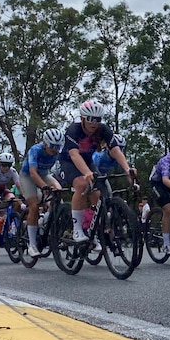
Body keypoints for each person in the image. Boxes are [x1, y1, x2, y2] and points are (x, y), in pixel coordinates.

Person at [58, 100, 136, 247]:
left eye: (98, 119)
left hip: (88, 161)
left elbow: (115, 150)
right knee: (82, 184)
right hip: (69, 162)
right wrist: (87, 173)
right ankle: (77, 230)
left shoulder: (103, 130)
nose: (94, 123)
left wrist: (127, 169)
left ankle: (91, 231)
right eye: (90, 119)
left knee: (98, 194)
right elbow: (74, 155)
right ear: (82, 118)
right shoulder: (74, 130)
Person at [20, 128, 64, 258]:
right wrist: (44, 186)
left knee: (58, 190)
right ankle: (32, 244)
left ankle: (47, 221)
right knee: (34, 206)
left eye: (58, 146)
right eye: (52, 146)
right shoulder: (35, 150)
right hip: (28, 176)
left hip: (44, 174)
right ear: (45, 143)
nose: (55, 149)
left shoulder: (57, 152)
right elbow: (33, 173)